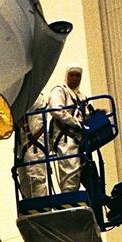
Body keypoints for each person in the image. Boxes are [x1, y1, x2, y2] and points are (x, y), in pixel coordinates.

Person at [46, 65, 87, 193]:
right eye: (72, 75)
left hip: (80, 140)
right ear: (66, 76)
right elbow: (56, 109)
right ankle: (68, 201)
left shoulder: (81, 97)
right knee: (69, 172)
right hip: (65, 138)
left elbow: (86, 114)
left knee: (83, 172)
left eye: (77, 75)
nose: (75, 78)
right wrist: (75, 123)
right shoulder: (60, 91)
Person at [16, 93, 51, 198]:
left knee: (36, 179)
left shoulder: (33, 95)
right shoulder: (24, 95)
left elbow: (18, 111)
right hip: (23, 145)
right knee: (25, 184)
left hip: (34, 145)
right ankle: (30, 210)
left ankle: (42, 209)